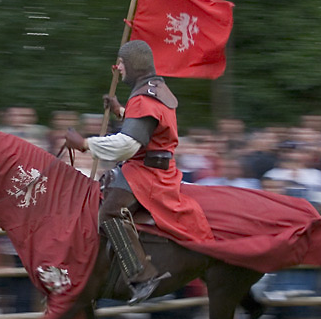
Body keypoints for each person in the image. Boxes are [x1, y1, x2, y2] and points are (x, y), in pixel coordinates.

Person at [65, 40, 213, 304]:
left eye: (121, 63)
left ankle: (141, 275)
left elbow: (127, 144)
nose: (117, 68)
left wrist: (85, 144)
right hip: (147, 167)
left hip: (147, 173)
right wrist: (121, 110)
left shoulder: (145, 97)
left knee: (109, 211)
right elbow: (148, 126)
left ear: (133, 64)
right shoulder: (153, 90)